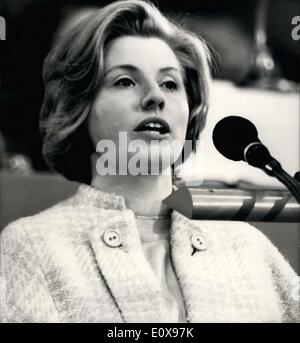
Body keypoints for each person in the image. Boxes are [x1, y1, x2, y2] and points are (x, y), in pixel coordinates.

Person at [0, 0, 299, 323]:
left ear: (190, 109)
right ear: (79, 107)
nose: (155, 96)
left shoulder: (249, 247)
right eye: (125, 81)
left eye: (170, 83)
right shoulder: (32, 248)